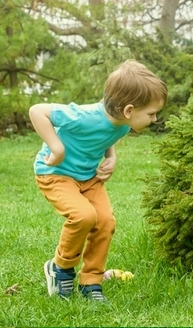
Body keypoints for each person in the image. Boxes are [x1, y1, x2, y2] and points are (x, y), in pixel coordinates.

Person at [29, 60, 166, 302]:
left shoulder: (123, 123)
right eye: (151, 113)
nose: (154, 119)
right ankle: (60, 268)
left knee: (104, 221)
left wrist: (111, 157)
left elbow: (105, 136)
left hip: (88, 178)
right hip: (56, 174)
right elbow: (37, 111)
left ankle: (91, 282)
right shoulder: (84, 116)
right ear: (129, 110)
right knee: (83, 216)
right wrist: (56, 147)